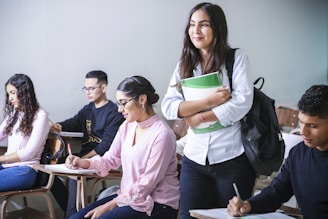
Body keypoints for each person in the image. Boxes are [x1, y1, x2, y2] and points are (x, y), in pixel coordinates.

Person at [161, 2, 256, 218]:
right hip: (194, 157)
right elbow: (169, 106)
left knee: (229, 215)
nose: (196, 31)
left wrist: (199, 117)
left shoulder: (236, 58)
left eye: (203, 25)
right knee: (187, 216)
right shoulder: (184, 63)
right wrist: (208, 102)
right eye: (192, 25)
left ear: (217, 28)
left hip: (231, 157)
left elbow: (242, 102)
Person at [67, 75, 179, 219]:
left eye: (123, 103)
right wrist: (84, 162)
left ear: (142, 99)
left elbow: (146, 184)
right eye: (118, 103)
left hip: (157, 204)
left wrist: (109, 205)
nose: (120, 109)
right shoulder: (127, 126)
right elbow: (110, 159)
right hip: (128, 198)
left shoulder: (162, 134)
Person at [227, 85, 328, 219]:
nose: (303, 131)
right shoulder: (298, 154)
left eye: (313, 126)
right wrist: (248, 205)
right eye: (301, 122)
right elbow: (276, 192)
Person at [50, 70, 125, 218]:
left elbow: (105, 147)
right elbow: (73, 123)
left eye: (92, 88)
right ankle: (70, 209)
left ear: (103, 88)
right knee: (50, 168)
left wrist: (83, 159)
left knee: (74, 177)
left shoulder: (114, 112)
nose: (87, 92)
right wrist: (59, 126)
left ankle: (71, 214)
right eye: (86, 88)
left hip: (102, 159)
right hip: (84, 156)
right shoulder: (88, 109)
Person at [0, 73, 50, 191]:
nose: (10, 98)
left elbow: (28, 153)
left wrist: (1, 158)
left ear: (24, 92)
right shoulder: (14, 114)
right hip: (6, 167)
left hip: (25, 170)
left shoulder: (40, 116)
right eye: (8, 94)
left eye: (13, 93)